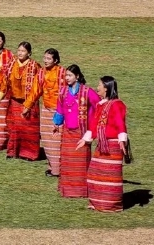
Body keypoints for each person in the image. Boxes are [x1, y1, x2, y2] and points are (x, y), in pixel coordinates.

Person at [80, 75, 129, 212]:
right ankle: (96, 202)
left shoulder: (117, 104)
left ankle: (110, 205)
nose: (97, 88)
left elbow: (120, 123)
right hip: (101, 144)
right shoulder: (100, 105)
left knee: (110, 176)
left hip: (112, 145)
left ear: (106, 88)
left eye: (99, 85)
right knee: (94, 173)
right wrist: (86, 139)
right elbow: (95, 123)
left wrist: (122, 140)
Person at [53, 64, 99, 199]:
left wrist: (93, 123)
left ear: (77, 76)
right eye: (66, 75)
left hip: (82, 132)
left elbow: (99, 106)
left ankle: (82, 190)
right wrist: (56, 123)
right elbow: (60, 109)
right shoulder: (62, 92)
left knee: (81, 163)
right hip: (68, 132)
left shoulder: (87, 91)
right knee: (67, 162)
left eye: (70, 75)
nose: (67, 78)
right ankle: (67, 190)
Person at [1, 41, 42, 161]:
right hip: (15, 100)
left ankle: (30, 153)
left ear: (29, 53)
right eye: (19, 50)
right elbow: (5, 80)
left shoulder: (35, 66)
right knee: (15, 128)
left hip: (29, 102)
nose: (20, 53)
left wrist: (30, 102)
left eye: (23, 51)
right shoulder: (12, 63)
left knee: (29, 129)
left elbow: (38, 85)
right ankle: (12, 151)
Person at [39, 48, 65, 176]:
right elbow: (35, 90)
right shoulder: (41, 72)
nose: (45, 61)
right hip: (46, 109)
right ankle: (52, 166)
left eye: (49, 58)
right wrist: (27, 106)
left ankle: (58, 169)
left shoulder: (62, 73)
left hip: (59, 110)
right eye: (45, 58)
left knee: (56, 139)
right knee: (46, 138)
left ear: (56, 60)